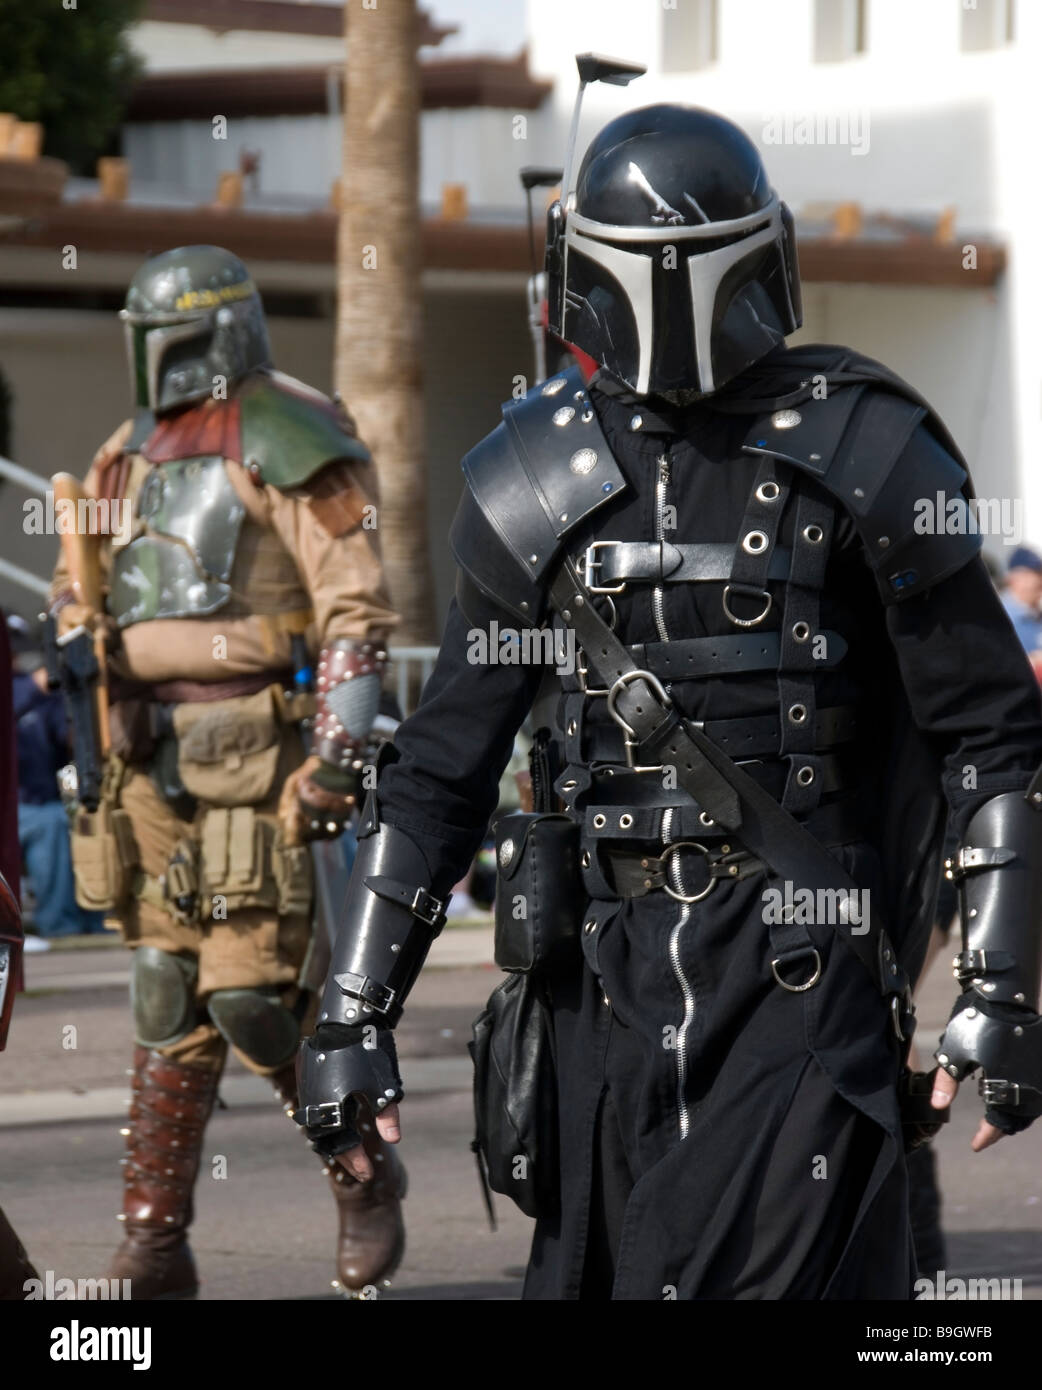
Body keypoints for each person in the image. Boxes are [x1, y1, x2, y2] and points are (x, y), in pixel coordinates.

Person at [296, 104, 1042, 1300]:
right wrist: (349, 1014)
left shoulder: (866, 445)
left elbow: (991, 742)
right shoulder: (531, 472)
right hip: (597, 992)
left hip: (805, 983)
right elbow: (440, 767)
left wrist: (999, 989)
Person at [50, 245, 403, 1300]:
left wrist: (338, 756)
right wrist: (80, 639)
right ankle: (155, 1241)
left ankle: (360, 1166)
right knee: (167, 997)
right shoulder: (126, 453)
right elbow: (93, 596)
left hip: (260, 758)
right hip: (149, 764)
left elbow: (354, 606)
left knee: (253, 997)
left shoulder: (293, 433)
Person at [8, 616, 107, 940]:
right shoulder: (24, 689)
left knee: (64, 822)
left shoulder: (43, 694)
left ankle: (70, 924)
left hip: (40, 803)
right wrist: (35, 686)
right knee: (47, 823)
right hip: (16, 805)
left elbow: (66, 741)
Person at [1000, 546, 1042, 661]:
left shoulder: (1037, 615)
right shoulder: (1000, 617)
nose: (1040, 581)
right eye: (1036, 574)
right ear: (1014, 578)